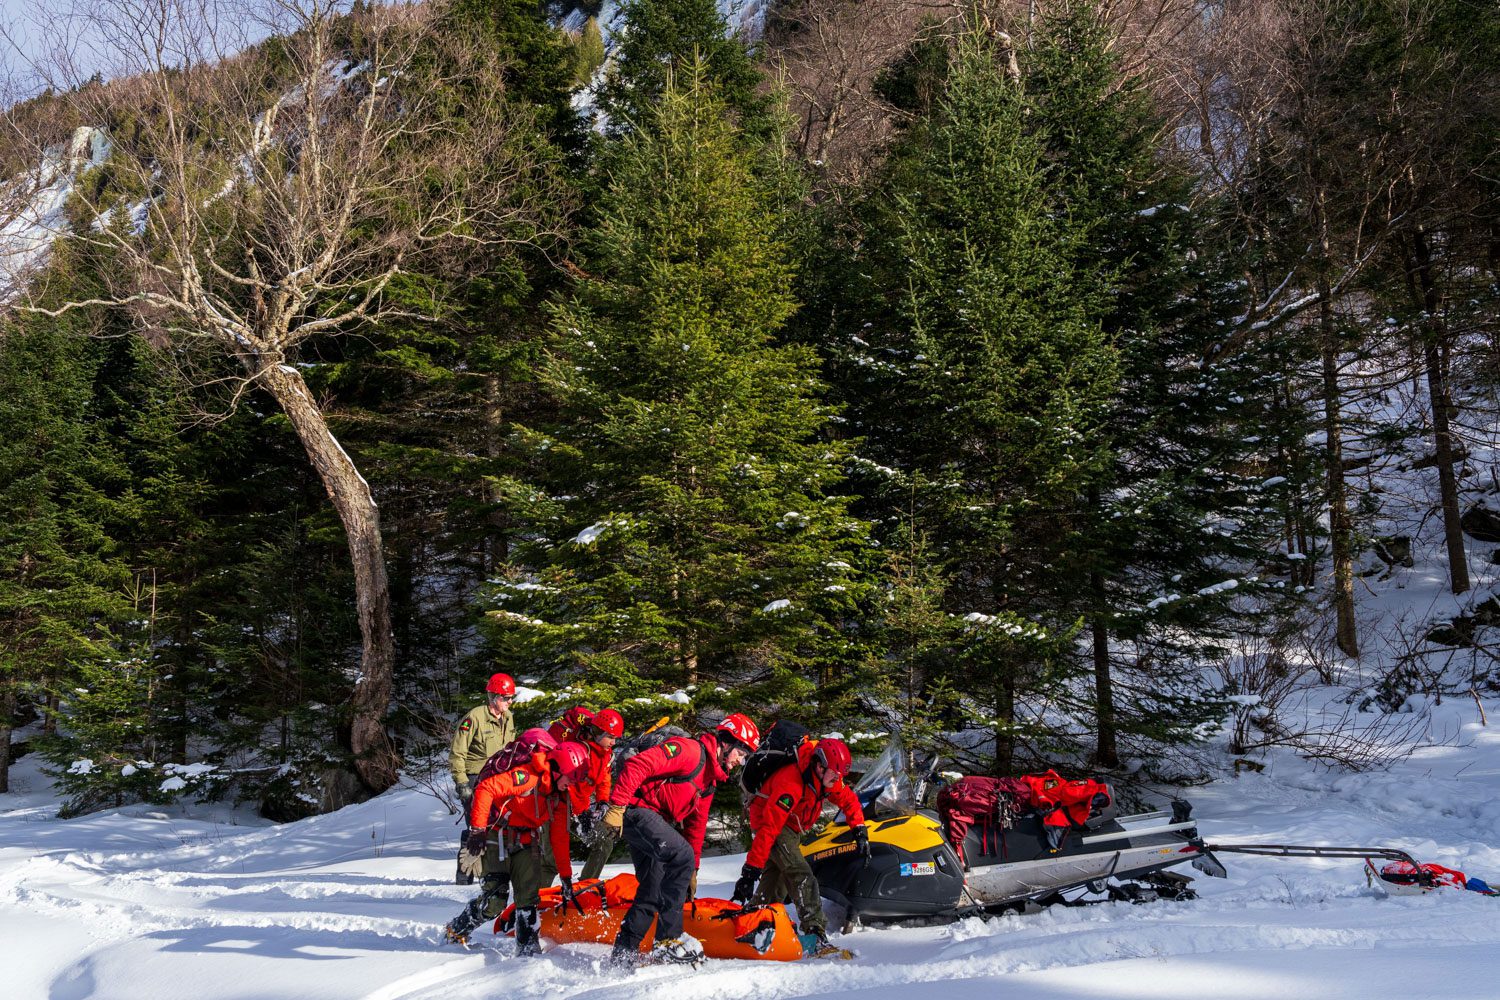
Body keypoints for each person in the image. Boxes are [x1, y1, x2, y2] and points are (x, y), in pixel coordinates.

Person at [601, 713, 760, 967]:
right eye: (741, 753)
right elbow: (638, 765)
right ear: (727, 742)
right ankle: (668, 940)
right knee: (680, 854)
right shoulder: (690, 751)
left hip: (652, 821)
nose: (741, 761)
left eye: (745, 757)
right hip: (634, 810)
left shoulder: (709, 780)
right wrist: (617, 807)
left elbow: (696, 828)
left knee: (651, 891)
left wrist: (692, 871)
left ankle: (622, 958)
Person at [443, 741, 591, 955]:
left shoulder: (559, 797)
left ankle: (528, 952)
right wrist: (477, 831)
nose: (573, 784)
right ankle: (456, 930)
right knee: (494, 901)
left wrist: (566, 877)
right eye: (572, 777)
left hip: (527, 840)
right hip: (497, 835)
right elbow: (486, 788)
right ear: (559, 769)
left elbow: (559, 837)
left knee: (528, 901)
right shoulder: (528, 776)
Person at [733, 737, 868, 953]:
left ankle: (754, 922)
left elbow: (849, 800)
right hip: (772, 824)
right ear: (819, 766)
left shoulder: (827, 779)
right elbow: (769, 829)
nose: (838, 778)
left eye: (841, 774)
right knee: (801, 874)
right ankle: (814, 932)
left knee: (776, 883)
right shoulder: (791, 784)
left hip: (791, 826)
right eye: (835, 773)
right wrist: (750, 871)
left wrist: (859, 829)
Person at [448, 672, 518, 883]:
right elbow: (457, 753)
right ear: (494, 697)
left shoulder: (509, 718)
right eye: (506, 698)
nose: (509, 702)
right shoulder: (474, 717)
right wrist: (462, 783)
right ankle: (465, 876)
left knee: (496, 825)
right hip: (475, 777)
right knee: (476, 826)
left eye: (510, 698)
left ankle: (491, 871)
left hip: (499, 779)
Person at [574, 708, 625, 881]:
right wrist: (582, 814)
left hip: (580, 808)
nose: (613, 742)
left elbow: (604, 777)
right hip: (564, 807)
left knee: (604, 843)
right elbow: (571, 787)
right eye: (610, 737)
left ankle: (585, 887)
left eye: (615, 738)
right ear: (598, 733)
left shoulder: (604, 752)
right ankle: (536, 900)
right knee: (550, 859)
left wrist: (603, 800)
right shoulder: (580, 751)